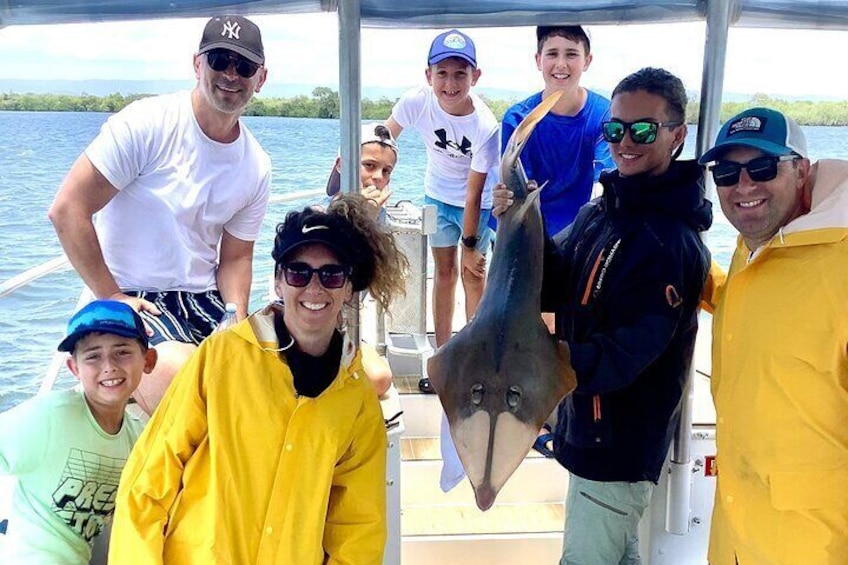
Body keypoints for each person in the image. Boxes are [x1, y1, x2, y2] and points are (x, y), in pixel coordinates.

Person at [109, 194, 408, 564]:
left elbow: (358, 530)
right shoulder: (221, 358)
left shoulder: (357, 399)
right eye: (299, 272)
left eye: (331, 275)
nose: (314, 288)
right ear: (279, 282)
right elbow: (148, 483)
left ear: (349, 287)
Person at [493, 67, 712, 564]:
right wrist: (520, 222)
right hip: (587, 431)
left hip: (618, 446)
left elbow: (626, 353)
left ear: (677, 136)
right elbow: (552, 283)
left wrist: (539, 363)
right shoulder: (602, 212)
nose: (625, 142)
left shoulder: (670, 242)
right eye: (614, 129)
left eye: (642, 129)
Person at [47, 15, 272, 415]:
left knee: (267, 375)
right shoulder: (146, 124)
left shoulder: (256, 164)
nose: (231, 75)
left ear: (261, 77)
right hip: (132, 291)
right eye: (219, 59)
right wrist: (112, 295)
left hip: (204, 299)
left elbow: (236, 256)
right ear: (197, 64)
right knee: (180, 375)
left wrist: (235, 312)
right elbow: (68, 210)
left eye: (245, 66)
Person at [698, 108, 848, 564]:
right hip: (736, 538)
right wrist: (691, 268)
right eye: (726, 172)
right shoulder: (760, 241)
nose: (744, 186)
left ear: (802, 169)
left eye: (763, 168)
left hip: (813, 546)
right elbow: (771, 312)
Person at [385, 29, 500, 394]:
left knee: (473, 276)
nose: (451, 83)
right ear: (428, 75)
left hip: (476, 206)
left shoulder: (485, 125)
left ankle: (475, 358)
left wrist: (470, 243)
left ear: (475, 77)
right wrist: (367, 174)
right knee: (444, 274)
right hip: (436, 196)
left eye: (460, 74)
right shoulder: (416, 102)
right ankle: (444, 356)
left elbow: (474, 189)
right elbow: (384, 139)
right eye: (443, 73)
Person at [0, 300, 156, 563]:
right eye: (93, 356)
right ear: (74, 368)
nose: (109, 366)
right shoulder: (49, 416)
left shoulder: (138, 438)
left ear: (148, 360)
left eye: (122, 352)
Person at [501, 25, 614, 238]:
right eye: (552, 54)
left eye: (571, 54)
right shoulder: (518, 119)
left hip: (583, 232)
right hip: (528, 233)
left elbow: (604, 180)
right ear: (538, 60)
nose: (561, 64)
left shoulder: (606, 115)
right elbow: (519, 192)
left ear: (587, 60)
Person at [325, 122, 399, 395]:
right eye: (369, 166)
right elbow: (331, 281)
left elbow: (371, 283)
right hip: (303, 323)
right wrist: (359, 222)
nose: (378, 177)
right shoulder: (319, 214)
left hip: (340, 328)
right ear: (343, 165)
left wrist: (370, 224)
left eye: (386, 171)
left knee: (380, 378)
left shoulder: (383, 221)